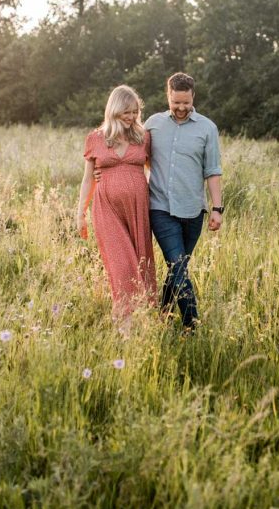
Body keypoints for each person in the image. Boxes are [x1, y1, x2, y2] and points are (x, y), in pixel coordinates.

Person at [144, 72, 223, 330]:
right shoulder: (153, 124)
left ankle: (164, 314)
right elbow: (135, 155)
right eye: (176, 102)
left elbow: (212, 170)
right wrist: (101, 168)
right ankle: (192, 325)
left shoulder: (207, 128)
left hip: (192, 211)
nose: (181, 108)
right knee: (178, 264)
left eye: (185, 103)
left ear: (193, 97)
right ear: (168, 96)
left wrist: (217, 208)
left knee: (176, 268)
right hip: (160, 208)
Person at [77, 85, 157, 327]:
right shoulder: (95, 139)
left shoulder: (143, 137)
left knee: (141, 262)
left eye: (135, 112)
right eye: (127, 112)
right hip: (107, 210)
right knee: (121, 265)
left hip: (138, 209)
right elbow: (88, 178)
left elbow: (154, 170)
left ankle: (143, 319)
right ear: (114, 110)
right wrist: (80, 212)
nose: (132, 117)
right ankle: (124, 323)